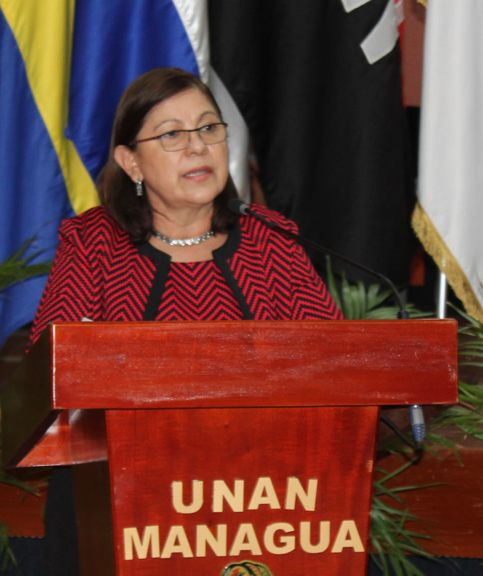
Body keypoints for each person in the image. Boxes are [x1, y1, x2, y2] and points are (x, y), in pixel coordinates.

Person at [27, 67, 342, 574]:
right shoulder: (93, 245)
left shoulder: (272, 242)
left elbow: (338, 370)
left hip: (263, 504)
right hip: (116, 501)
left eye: (209, 128)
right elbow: (49, 373)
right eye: (172, 134)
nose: (198, 147)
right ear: (131, 161)